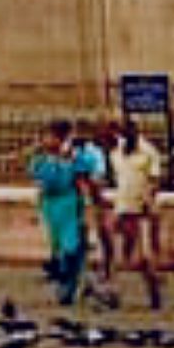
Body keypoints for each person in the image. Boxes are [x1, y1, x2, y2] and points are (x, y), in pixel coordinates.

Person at [108, 117, 169, 307]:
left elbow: (155, 180)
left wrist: (148, 201)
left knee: (144, 256)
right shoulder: (116, 153)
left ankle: (154, 292)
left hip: (142, 208)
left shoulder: (149, 152)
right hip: (122, 207)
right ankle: (114, 293)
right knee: (118, 254)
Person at [27, 119, 87, 305]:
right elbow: (39, 184)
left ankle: (70, 281)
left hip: (68, 203)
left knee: (70, 246)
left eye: (49, 136)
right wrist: (36, 208)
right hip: (51, 206)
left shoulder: (74, 157)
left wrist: (84, 206)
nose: (45, 140)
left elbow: (81, 182)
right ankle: (65, 286)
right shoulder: (41, 159)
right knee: (58, 246)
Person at [73, 118, 116, 305]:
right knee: (83, 244)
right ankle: (87, 281)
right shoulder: (71, 152)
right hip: (78, 203)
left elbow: (97, 180)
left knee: (98, 241)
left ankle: (104, 280)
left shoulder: (93, 153)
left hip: (91, 203)